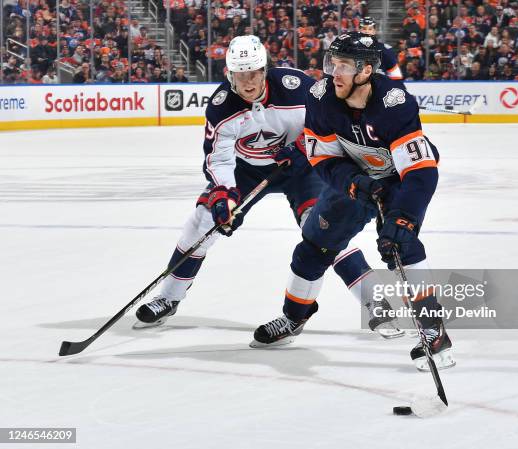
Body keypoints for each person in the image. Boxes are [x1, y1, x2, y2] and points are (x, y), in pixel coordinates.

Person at [134, 35, 403, 341]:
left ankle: (375, 302)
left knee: (325, 229)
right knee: (204, 219)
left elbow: (330, 119)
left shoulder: (295, 86)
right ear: (228, 75)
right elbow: (218, 159)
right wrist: (224, 195)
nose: (248, 82)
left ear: (265, 70)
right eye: (240, 75)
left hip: (305, 168)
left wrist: (302, 147)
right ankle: (169, 297)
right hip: (246, 170)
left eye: (254, 73)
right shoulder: (222, 107)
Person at [253, 32, 455, 371]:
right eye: (332, 63)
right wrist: (353, 183)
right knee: (313, 248)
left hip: (395, 180)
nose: (334, 72)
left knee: (401, 246)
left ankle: (434, 333)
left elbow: (421, 172)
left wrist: (405, 217)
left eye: (344, 65)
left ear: (366, 71)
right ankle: (293, 318)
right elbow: (324, 160)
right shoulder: (320, 98)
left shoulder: (395, 105)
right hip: (352, 179)